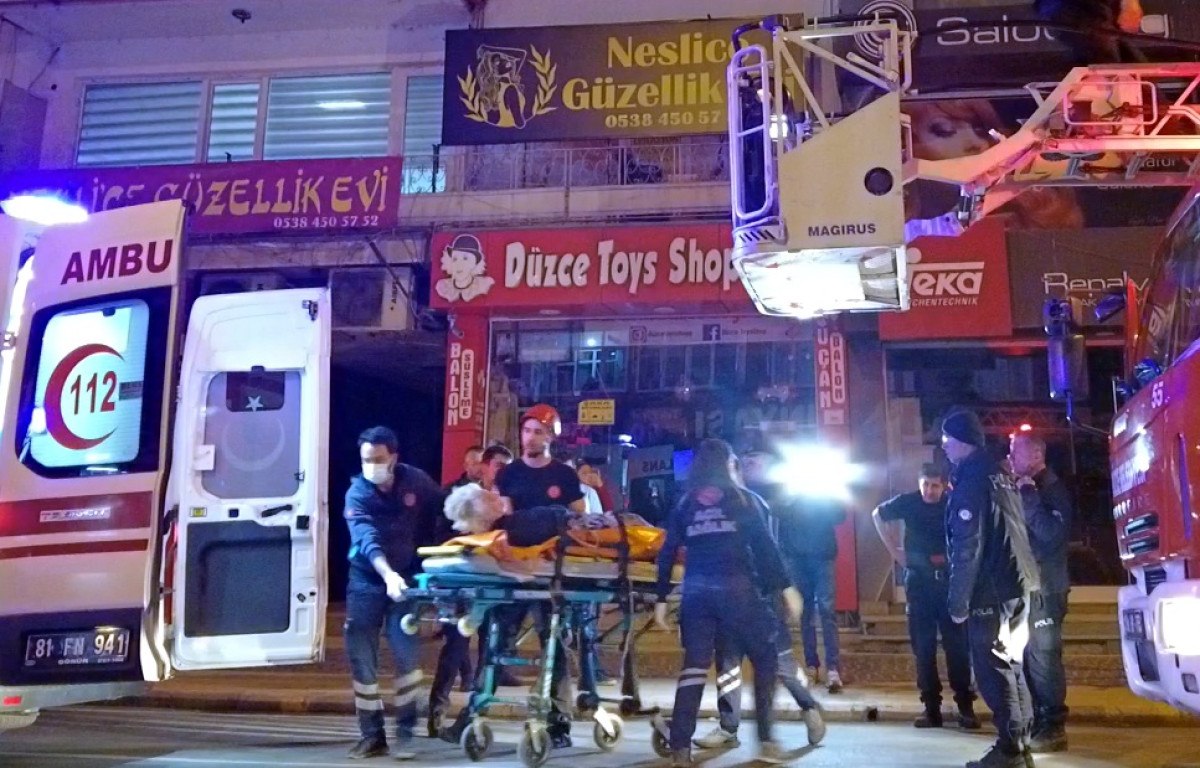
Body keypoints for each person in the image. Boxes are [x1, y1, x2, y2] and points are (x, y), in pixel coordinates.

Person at [654, 438, 801, 767]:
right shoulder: (744, 500)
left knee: (694, 667)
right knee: (765, 659)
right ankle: (766, 740)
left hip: (696, 594)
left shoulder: (686, 504)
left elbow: (667, 552)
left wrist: (661, 598)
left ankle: (680, 747)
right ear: (729, 465)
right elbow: (765, 546)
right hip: (738, 590)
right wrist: (786, 588)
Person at [694, 446, 827, 751]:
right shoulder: (716, 506)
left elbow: (769, 550)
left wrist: (784, 589)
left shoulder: (752, 502)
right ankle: (728, 726)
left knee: (781, 662)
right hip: (725, 599)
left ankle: (808, 706)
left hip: (761, 597)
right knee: (728, 664)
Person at [941, 411, 1042, 768]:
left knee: (994, 667)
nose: (944, 447)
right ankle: (1021, 745)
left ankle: (1009, 749)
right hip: (1018, 582)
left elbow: (968, 545)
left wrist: (958, 602)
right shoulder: (1000, 474)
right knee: (1012, 664)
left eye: (946, 440)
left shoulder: (971, 481)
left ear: (962, 442)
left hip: (992, 589)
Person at [342, 426, 444, 760]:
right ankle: (372, 735)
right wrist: (387, 575)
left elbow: (441, 510)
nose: (371, 465)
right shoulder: (357, 493)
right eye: (366, 459)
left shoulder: (416, 482)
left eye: (378, 459)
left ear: (394, 457)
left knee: (406, 656)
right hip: (367, 581)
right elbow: (366, 538)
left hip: (407, 580)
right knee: (362, 659)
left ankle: (406, 733)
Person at [493, 404, 585, 749]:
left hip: (552, 573)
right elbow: (503, 518)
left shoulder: (564, 476)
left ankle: (559, 723)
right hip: (516, 570)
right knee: (496, 641)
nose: (529, 437)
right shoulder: (509, 474)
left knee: (554, 644)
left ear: (550, 437)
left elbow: (580, 520)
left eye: (537, 432)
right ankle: (476, 710)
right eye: (526, 430)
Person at [873, 463, 980, 730]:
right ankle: (931, 709)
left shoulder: (952, 503)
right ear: (919, 483)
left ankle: (965, 707)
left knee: (957, 649)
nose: (929, 491)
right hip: (919, 584)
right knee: (923, 649)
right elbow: (877, 514)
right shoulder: (908, 502)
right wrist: (895, 552)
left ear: (944, 486)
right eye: (925, 485)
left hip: (948, 584)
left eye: (934, 486)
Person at [1009, 432, 1074, 754]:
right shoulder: (1028, 488)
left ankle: (1053, 726)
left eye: (1016, 452)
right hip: (1029, 587)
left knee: (1044, 658)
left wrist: (1028, 495)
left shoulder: (1051, 490)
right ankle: (1037, 719)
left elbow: (1050, 534)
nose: (1011, 458)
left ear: (1036, 455)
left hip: (1046, 588)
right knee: (1029, 657)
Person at [426, 446, 487, 736]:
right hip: (461, 577)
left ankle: (476, 708)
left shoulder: (495, 495)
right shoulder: (451, 493)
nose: (478, 467)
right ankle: (437, 709)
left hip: (489, 579)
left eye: (481, 463)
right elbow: (438, 533)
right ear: (466, 463)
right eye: (473, 462)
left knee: (490, 646)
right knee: (455, 644)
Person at [777, 473, 847, 693]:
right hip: (796, 558)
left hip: (822, 557)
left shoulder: (823, 494)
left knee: (826, 610)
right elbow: (775, 511)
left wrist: (829, 494)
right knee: (805, 612)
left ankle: (833, 669)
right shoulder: (789, 494)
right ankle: (811, 665)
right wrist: (789, 496)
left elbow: (840, 515)